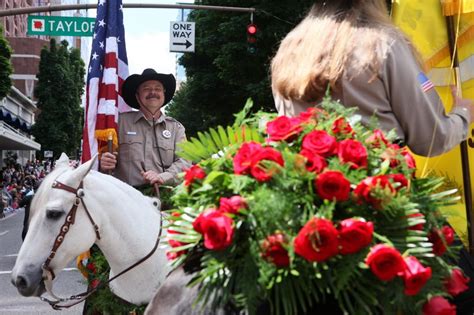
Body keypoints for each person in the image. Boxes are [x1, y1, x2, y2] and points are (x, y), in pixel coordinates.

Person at [271, 0, 474, 157]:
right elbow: (432, 140)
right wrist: (463, 114)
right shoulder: (384, 45)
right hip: (378, 199)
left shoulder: (290, 47)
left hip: (308, 200)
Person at [100, 68, 189, 188]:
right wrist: (103, 162)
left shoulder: (176, 128)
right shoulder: (119, 123)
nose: (153, 92)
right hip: (125, 199)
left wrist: (162, 177)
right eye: (146, 88)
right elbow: (100, 155)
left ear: (163, 94)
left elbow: (185, 162)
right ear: (137, 95)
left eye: (158, 89)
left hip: (163, 200)